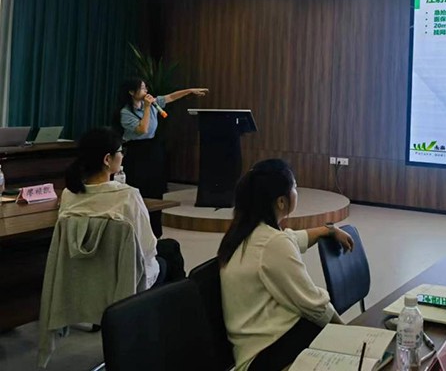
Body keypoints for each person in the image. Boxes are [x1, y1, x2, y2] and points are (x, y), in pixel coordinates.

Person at [218, 159, 355, 371]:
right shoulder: (273, 244)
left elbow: (291, 239)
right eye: (295, 187)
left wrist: (327, 230)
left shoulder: (247, 232)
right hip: (265, 354)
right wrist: (350, 336)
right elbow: (314, 304)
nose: (297, 192)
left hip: (255, 346)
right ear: (281, 202)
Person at [60, 127, 185, 288]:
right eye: (121, 151)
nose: (123, 156)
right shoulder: (127, 196)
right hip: (123, 278)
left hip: (83, 273)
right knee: (169, 252)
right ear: (107, 159)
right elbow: (147, 247)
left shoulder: (68, 194)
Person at [116, 77, 208, 236]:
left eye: (146, 87)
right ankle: (136, 231)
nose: (146, 91)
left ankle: (155, 231)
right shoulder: (125, 112)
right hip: (137, 151)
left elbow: (171, 96)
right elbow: (143, 129)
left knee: (156, 188)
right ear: (131, 92)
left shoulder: (153, 103)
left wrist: (189, 91)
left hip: (153, 148)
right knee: (139, 189)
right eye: (142, 88)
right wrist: (147, 107)